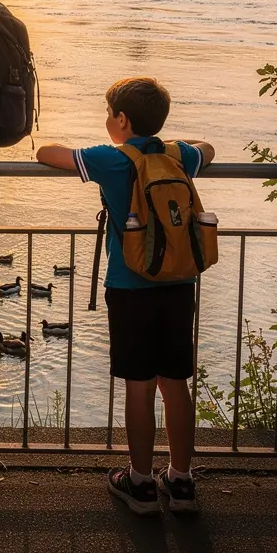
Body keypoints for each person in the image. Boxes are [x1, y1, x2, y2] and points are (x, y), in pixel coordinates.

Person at [35, 77, 215, 515]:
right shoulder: (179, 155)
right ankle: (182, 479)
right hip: (178, 284)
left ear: (120, 119)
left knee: (140, 385)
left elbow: (45, 153)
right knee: (175, 383)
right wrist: (175, 142)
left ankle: (139, 483)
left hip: (130, 285)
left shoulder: (110, 160)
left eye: (109, 113)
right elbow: (207, 148)